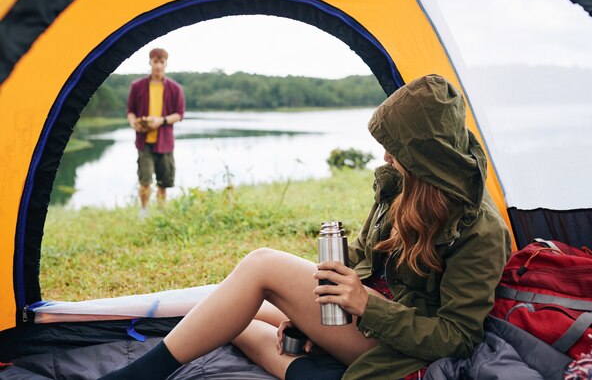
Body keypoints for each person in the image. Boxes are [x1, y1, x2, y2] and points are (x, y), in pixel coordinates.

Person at [102, 75, 511, 380]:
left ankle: (138, 376)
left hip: (399, 343)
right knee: (234, 313)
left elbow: (458, 338)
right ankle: (312, 369)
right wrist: (308, 314)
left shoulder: (480, 230)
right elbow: (368, 259)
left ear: (426, 156)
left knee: (261, 268)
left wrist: (367, 307)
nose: (385, 155)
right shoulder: (408, 185)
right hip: (368, 313)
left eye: (397, 147)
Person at [127, 48, 185, 217]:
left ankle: (161, 213)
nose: (158, 65)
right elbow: (131, 111)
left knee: (163, 183)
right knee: (145, 181)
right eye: (155, 61)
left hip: (165, 142)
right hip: (144, 142)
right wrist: (133, 122)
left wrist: (162, 120)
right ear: (150, 62)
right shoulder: (137, 86)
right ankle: (144, 213)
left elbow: (179, 114)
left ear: (166, 64)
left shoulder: (175, 88)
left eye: (161, 62)